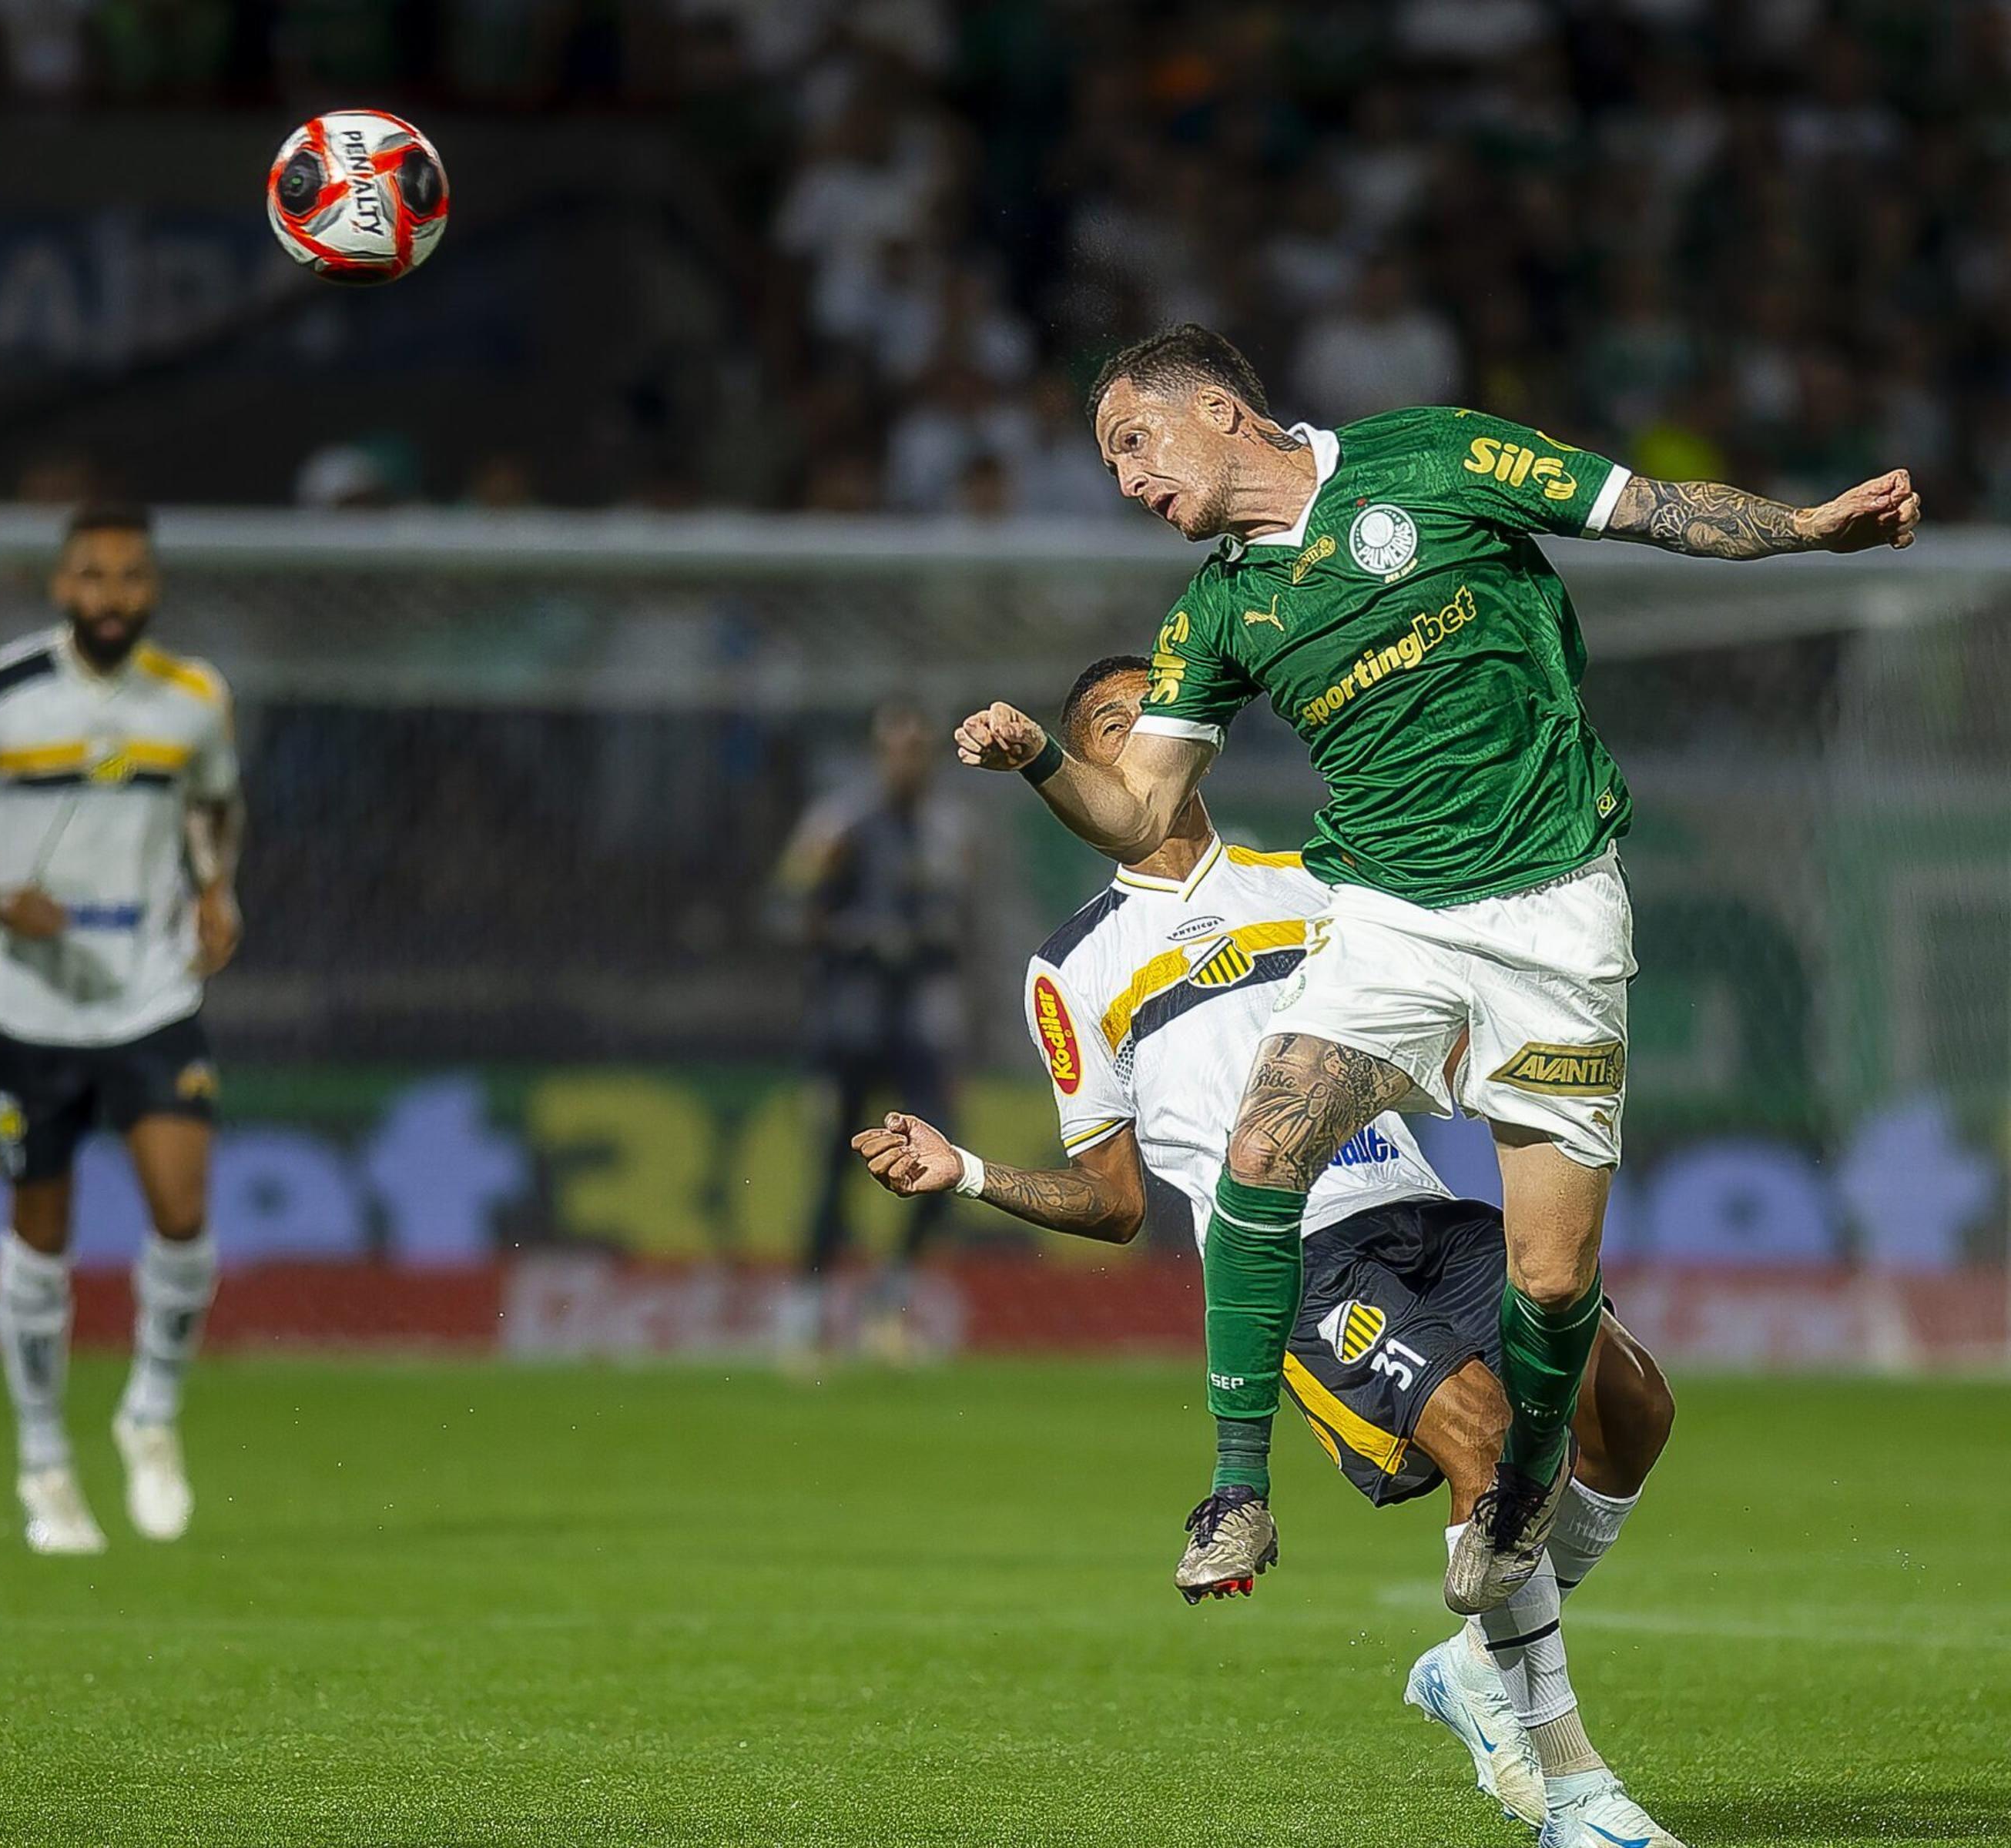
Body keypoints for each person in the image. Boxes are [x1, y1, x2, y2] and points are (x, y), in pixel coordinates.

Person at [954, 323, 1915, 1617]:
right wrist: (1037, 758)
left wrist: (1805, 533)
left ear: (1221, 413)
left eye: (1133, 442)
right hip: (1392, 916)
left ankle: (1525, 1498)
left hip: (1556, 915)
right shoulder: (1218, 616)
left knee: (1556, 1283)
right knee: (1260, 1152)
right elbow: (1135, 817)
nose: (1124, 479)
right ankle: (1238, 1490)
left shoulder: (1436, 456)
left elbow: (1652, 508)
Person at [865, 657, 1683, 1848]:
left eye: (1162, 707)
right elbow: (1114, 1201)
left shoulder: (1316, 881)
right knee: (1491, 1446)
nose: (1146, 727)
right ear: (1093, 770)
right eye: (1113, 721)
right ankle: (1576, 1797)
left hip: (1419, 1199)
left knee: (1634, 1409)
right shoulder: (1073, 964)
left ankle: (1473, 1662)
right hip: (1296, 1261)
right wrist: (973, 1172)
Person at [0, 500, 245, 1555]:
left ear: (153, 589)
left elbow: (216, 802)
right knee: (43, 1226)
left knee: (183, 1206)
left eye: (131, 577)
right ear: (60, 586)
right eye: (92, 576)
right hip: (29, 999)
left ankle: (151, 1413)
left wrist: (218, 889)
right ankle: (44, 1457)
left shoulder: (193, 697)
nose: (112, 597)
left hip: (150, 986)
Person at [767, 702, 978, 1363]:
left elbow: (970, 923)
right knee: (835, 1165)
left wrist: (937, 944)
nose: (906, 762)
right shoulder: (837, 824)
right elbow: (784, 910)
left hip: (921, 1019)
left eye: (917, 749)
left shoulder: (953, 829)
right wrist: (855, 937)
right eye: (895, 748)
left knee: (944, 1158)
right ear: (877, 753)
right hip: (849, 1019)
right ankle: (806, 1311)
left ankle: (889, 1300)